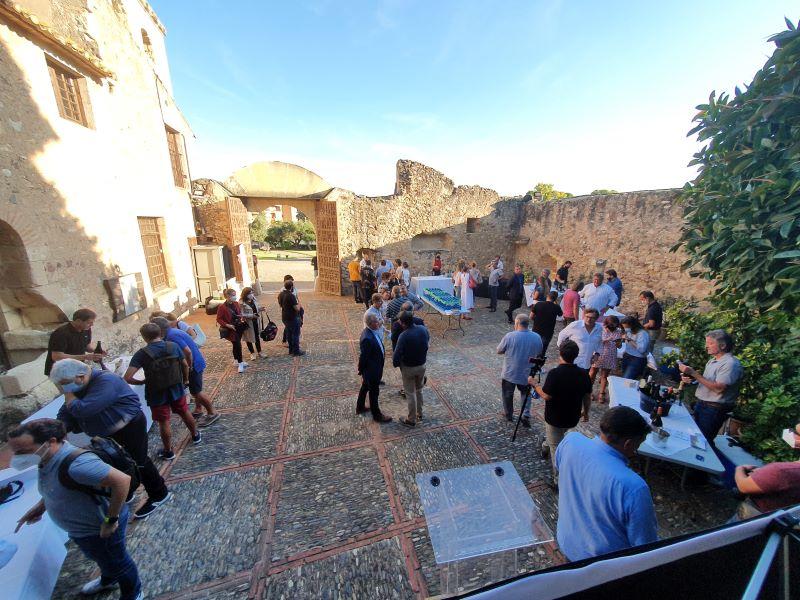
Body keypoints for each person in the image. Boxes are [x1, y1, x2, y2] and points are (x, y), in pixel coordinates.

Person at [10, 419, 144, 600]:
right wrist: (41, 507)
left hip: (99, 527)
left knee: (118, 561)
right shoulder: (46, 458)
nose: (17, 457)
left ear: (50, 442)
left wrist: (110, 520)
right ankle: (109, 578)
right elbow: (56, 485)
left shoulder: (78, 465)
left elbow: (122, 481)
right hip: (83, 531)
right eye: (15, 451)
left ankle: (133, 592)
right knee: (103, 557)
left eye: (23, 451)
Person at [50, 359, 172, 519]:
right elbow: (67, 410)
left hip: (129, 427)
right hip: (108, 431)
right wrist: (59, 428)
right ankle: (127, 490)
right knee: (117, 462)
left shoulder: (106, 381)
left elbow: (82, 409)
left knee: (138, 461)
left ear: (80, 376)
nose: (65, 389)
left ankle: (159, 494)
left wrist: (68, 394)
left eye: (65, 384)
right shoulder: (80, 386)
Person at [556, 407, 657, 561]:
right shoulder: (634, 487)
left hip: (567, 543)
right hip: (603, 565)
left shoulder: (571, 441)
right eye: (638, 445)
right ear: (628, 444)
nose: (635, 451)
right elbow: (646, 547)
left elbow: (561, 470)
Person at [124, 323, 200, 460]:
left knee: (164, 422)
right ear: (160, 333)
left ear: (144, 337)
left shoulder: (142, 354)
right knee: (185, 412)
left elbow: (128, 377)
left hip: (156, 392)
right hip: (176, 387)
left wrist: (142, 382)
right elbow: (184, 364)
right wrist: (185, 380)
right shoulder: (173, 346)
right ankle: (195, 436)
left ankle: (168, 451)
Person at [532, 340, 592, 487]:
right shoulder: (583, 374)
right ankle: (545, 446)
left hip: (554, 417)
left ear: (560, 353)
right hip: (572, 416)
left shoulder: (555, 374)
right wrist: (586, 412)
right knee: (556, 437)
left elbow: (546, 396)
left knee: (556, 448)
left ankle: (558, 481)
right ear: (576, 355)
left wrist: (535, 384)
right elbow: (587, 396)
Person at [151, 317, 219, 427]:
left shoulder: (172, 336)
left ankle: (212, 412)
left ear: (159, 329)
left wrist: (189, 366)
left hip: (194, 365)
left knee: (197, 392)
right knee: (195, 390)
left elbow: (187, 352)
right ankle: (199, 410)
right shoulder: (172, 332)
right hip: (194, 363)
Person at [678, 329, 743, 445]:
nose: (706, 346)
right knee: (695, 438)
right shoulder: (713, 360)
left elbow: (719, 388)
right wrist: (692, 380)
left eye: (710, 343)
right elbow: (708, 382)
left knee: (703, 442)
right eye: (706, 343)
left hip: (713, 410)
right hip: (702, 405)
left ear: (723, 346)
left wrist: (694, 373)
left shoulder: (730, 364)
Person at [733, 427, 800, 520]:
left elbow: (743, 486)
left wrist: (740, 469)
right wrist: (763, 475)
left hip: (752, 517)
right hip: (780, 520)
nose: (790, 432)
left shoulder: (781, 471)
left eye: (795, 432)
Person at [497, 314, 543, 427]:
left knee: (508, 394)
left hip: (510, 372)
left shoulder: (510, 336)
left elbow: (499, 350)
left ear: (517, 323)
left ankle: (509, 414)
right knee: (526, 394)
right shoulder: (536, 337)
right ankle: (525, 415)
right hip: (528, 373)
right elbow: (539, 352)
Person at [557, 308, 602, 419]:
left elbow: (600, 343)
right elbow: (562, 335)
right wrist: (563, 351)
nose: (589, 319)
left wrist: (597, 354)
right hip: (572, 362)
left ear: (596, 319)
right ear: (584, 316)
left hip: (586, 364)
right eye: (587, 317)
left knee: (579, 386)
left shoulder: (599, 329)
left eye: (592, 318)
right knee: (566, 384)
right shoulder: (575, 325)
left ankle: (577, 406)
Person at [393, 311, 430, 427]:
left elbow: (397, 354)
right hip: (422, 365)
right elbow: (427, 341)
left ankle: (411, 419)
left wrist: (396, 364)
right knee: (419, 389)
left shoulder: (404, 335)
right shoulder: (423, 329)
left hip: (408, 368)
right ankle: (420, 413)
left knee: (410, 393)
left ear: (403, 323)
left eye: (400, 321)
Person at [356, 313, 392, 423]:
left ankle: (360, 407)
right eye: (376, 322)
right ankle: (377, 415)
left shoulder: (371, 332)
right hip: (372, 371)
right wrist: (361, 370)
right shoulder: (367, 338)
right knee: (374, 393)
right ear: (370, 324)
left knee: (365, 387)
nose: (378, 323)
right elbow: (364, 357)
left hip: (373, 369)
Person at [44, 308, 103, 376]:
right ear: (78, 321)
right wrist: (85, 357)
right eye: (89, 322)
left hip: (76, 368)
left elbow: (86, 346)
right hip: (60, 371)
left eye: (92, 322)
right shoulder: (61, 333)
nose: (92, 325)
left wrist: (95, 351)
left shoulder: (86, 329)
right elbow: (57, 357)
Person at [590, 315, 624, 404]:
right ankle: (588, 391)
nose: (613, 327)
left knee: (604, 376)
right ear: (607, 324)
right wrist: (606, 340)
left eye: (615, 325)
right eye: (611, 325)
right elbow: (595, 341)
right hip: (598, 353)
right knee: (592, 373)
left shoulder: (618, 331)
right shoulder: (600, 329)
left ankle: (602, 393)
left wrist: (618, 343)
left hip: (610, 355)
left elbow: (619, 346)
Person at [217, 288, 249, 372]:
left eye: (235, 295)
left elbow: (238, 313)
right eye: (233, 295)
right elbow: (219, 319)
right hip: (231, 329)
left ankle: (236, 360)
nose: (235, 297)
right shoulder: (222, 307)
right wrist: (227, 325)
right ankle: (240, 363)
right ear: (227, 296)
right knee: (238, 344)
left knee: (235, 344)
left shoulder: (236, 303)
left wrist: (241, 316)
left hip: (238, 327)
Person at [530, 290, 563, 357]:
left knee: (533, 348)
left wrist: (536, 320)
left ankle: (531, 360)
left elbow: (531, 316)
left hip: (536, 329)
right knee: (543, 350)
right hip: (548, 332)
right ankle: (539, 361)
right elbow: (560, 314)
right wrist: (555, 303)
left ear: (547, 296)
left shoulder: (538, 304)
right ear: (555, 299)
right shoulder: (556, 307)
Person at [278, 279, 305, 356]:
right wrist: (299, 304)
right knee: (295, 334)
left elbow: (280, 305)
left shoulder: (281, 294)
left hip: (284, 317)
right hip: (292, 317)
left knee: (289, 334)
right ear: (292, 287)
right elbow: (297, 308)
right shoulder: (291, 295)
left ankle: (291, 350)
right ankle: (296, 351)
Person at [619, 316, 650, 380]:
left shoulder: (643, 334)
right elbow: (627, 344)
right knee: (624, 377)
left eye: (627, 327)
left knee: (627, 379)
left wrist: (629, 340)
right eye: (624, 327)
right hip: (627, 356)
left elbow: (642, 349)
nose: (625, 329)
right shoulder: (629, 332)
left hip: (637, 359)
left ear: (633, 325)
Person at [240, 287, 265, 360]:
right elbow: (241, 314)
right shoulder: (241, 303)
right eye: (250, 293)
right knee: (248, 338)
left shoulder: (254, 300)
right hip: (247, 323)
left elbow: (256, 308)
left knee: (257, 337)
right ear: (245, 294)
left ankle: (259, 351)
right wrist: (251, 315)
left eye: (252, 293)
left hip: (255, 321)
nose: (252, 294)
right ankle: (252, 353)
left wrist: (260, 309)